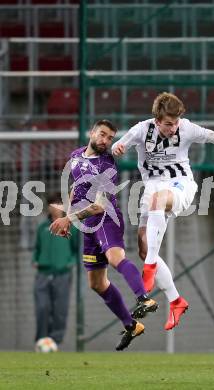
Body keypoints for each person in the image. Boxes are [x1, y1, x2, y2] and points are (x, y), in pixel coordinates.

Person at [112, 92, 214, 331]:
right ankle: (176, 300)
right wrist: (118, 148)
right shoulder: (142, 129)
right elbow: (120, 144)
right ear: (157, 120)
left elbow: (209, 135)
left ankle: (150, 267)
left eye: (176, 122)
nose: (174, 128)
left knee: (159, 203)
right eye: (169, 124)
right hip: (151, 188)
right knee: (142, 245)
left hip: (180, 185)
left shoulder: (186, 128)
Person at [49, 119, 158, 351]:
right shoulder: (76, 155)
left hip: (107, 219)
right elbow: (75, 188)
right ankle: (131, 325)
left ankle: (144, 298)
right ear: (92, 133)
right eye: (103, 134)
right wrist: (69, 214)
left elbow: (99, 206)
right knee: (97, 284)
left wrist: (68, 218)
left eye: (110, 138)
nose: (106, 140)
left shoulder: (106, 164)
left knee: (116, 258)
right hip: (88, 224)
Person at [32, 192, 78, 349]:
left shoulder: (71, 228)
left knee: (60, 309)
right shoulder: (42, 228)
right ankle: (41, 340)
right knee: (42, 308)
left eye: (58, 205)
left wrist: (70, 262)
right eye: (51, 205)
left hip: (62, 274)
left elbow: (76, 250)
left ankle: (55, 341)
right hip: (43, 274)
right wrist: (35, 260)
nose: (54, 208)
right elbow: (37, 248)